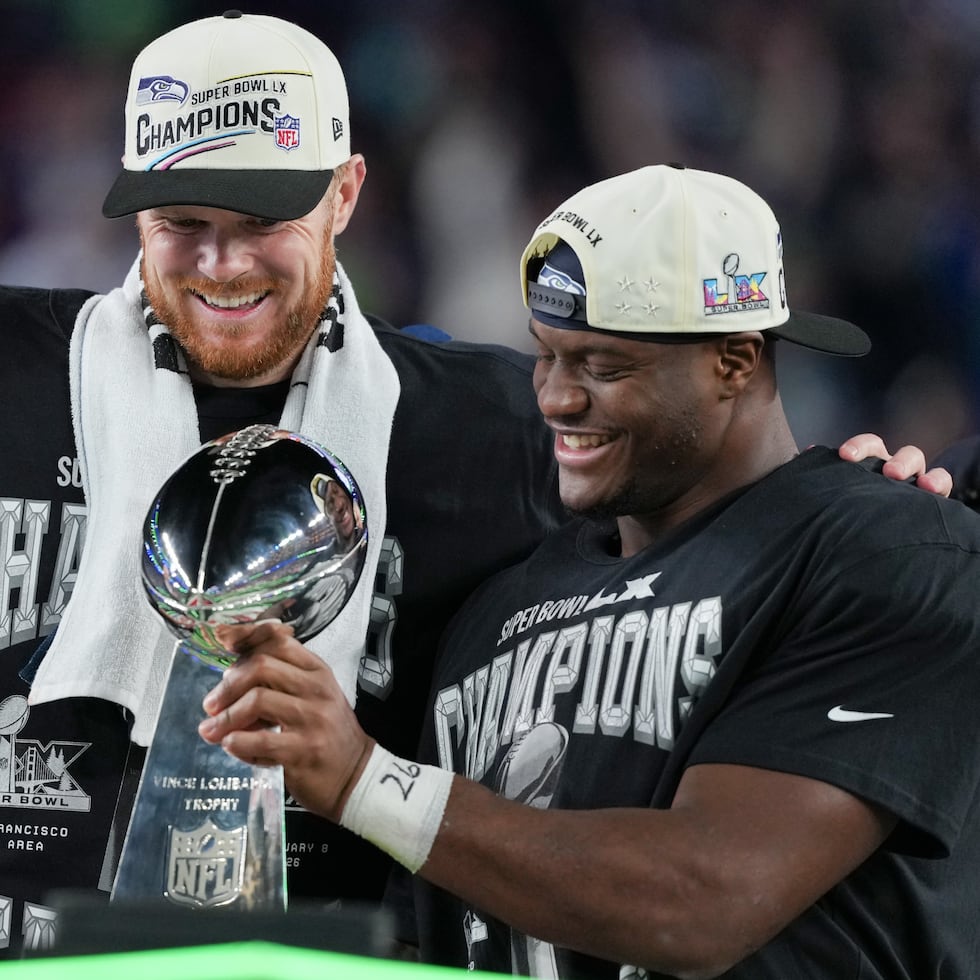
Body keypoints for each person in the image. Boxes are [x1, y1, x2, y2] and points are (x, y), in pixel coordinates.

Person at [0, 10, 953, 961]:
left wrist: (844, 504)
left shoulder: (499, 425)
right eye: (182, 224)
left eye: (261, 221)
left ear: (345, 193)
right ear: (131, 215)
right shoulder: (13, 367)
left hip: (344, 955)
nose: (222, 262)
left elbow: (702, 490)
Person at [198, 164, 980, 979]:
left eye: (604, 367)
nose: (557, 399)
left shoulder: (888, 554)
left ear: (737, 360)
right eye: (547, 356)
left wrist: (365, 779)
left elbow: (706, 901)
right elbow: (433, 932)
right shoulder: (496, 610)